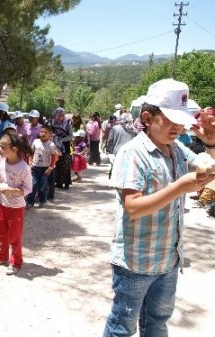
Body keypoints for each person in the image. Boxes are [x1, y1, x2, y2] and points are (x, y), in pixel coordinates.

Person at [103, 78, 215, 337]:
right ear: (147, 117)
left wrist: (210, 146)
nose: (178, 126)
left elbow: (206, 167)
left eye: (181, 119)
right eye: (170, 119)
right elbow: (133, 207)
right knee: (122, 327)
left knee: (157, 323)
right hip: (136, 263)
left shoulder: (176, 149)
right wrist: (180, 187)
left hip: (168, 260)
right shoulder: (132, 153)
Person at [0, 134, 33, 275]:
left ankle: (16, 262)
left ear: (13, 149)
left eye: (2, 146)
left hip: (16, 207)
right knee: (0, 232)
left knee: (14, 236)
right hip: (2, 203)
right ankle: (1, 257)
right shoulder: (0, 160)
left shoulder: (24, 167)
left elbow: (28, 188)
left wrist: (13, 190)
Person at [26, 125, 58, 208]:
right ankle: (30, 202)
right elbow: (31, 153)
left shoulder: (51, 145)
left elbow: (54, 157)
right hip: (35, 167)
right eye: (41, 131)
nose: (43, 133)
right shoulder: (35, 142)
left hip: (45, 168)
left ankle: (42, 200)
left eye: (45, 132)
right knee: (33, 184)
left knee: (43, 186)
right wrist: (30, 163)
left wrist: (50, 168)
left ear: (49, 134)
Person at [50, 107, 73, 189]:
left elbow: (71, 135)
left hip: (65, 145)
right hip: (55, 145)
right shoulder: (53, 123)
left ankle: (66, 183)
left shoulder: (67, 123)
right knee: (57, 164)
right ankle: (59, 183)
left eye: (62, 115)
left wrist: (62, 139)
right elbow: (51, 132)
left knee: (66, 164)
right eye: (59, 115)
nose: (60, 116)